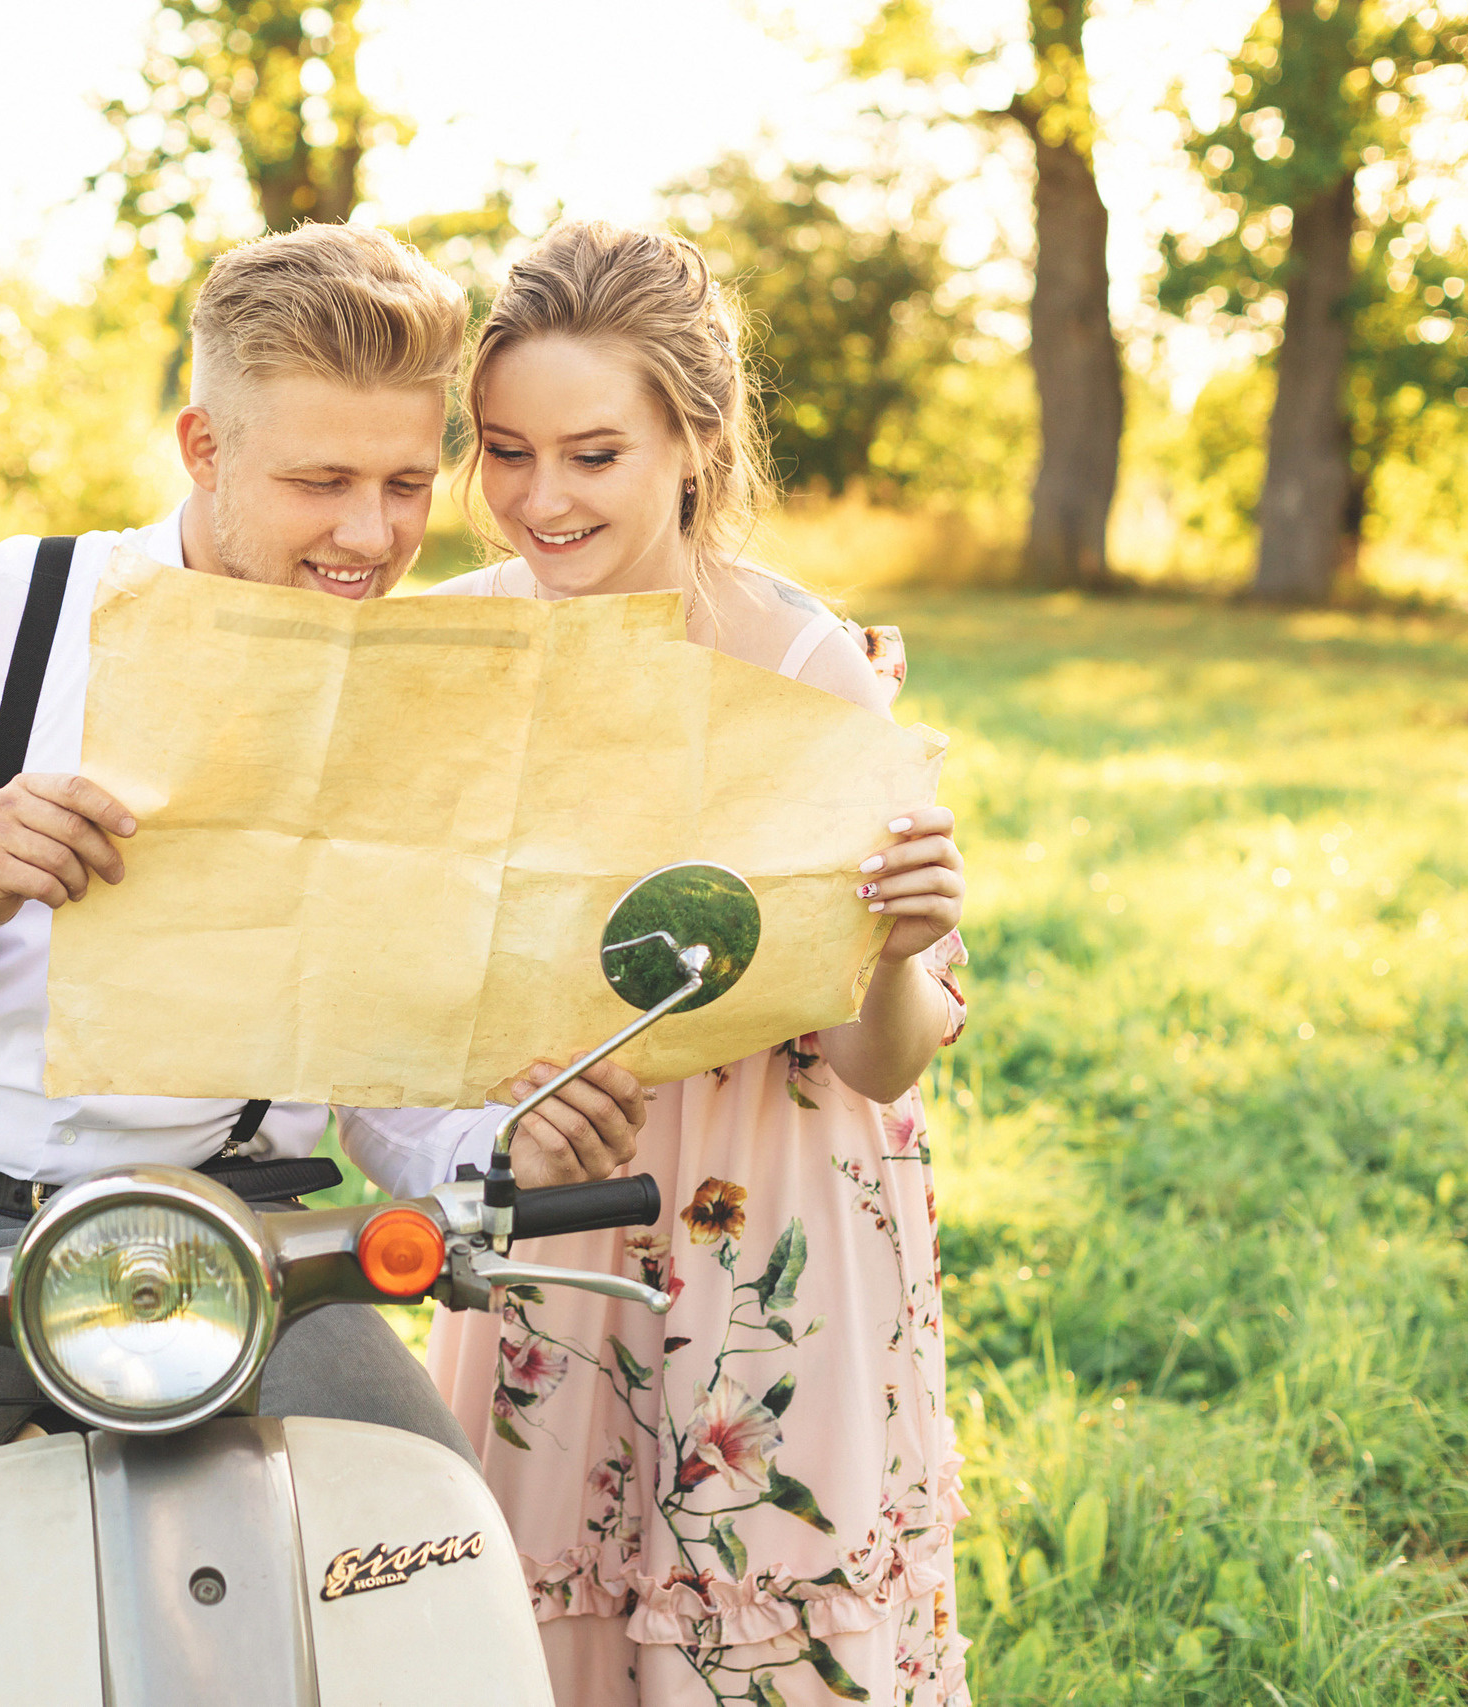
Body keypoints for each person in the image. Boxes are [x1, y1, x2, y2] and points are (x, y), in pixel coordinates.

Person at [0, 223, 654, 1707]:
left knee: (442, 1619)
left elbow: (369, 1071)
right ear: (202, 443)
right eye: (319, 482)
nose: (374, 537)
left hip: (249, 1233)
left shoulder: (407, 695)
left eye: (402, 482)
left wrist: (494, 1138)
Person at [423, 222, 974, 1707]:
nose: (541, 498)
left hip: (767, 1204)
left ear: (692, 440)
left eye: (593, 453)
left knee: (753, 1610)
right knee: (527, 1612)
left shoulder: (803, 666)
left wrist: (896, 944)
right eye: (506, 450)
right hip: (561, 1184)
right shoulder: (454, 655)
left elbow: (882, 1060)